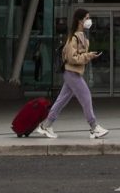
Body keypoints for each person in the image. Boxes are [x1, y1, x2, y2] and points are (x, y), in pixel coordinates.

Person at [34, 8, 106, 139]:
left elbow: (78, 55)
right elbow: (72, 58)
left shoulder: (81, 36)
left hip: (73, 73)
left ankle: (45, 126)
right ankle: (94, 127)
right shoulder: (73, 38)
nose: (89, 21)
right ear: (80, 20)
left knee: (61, 101)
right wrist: (88, 57)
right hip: (71, 72)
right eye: (87, 18)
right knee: (86, 97)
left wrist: (88, 55)